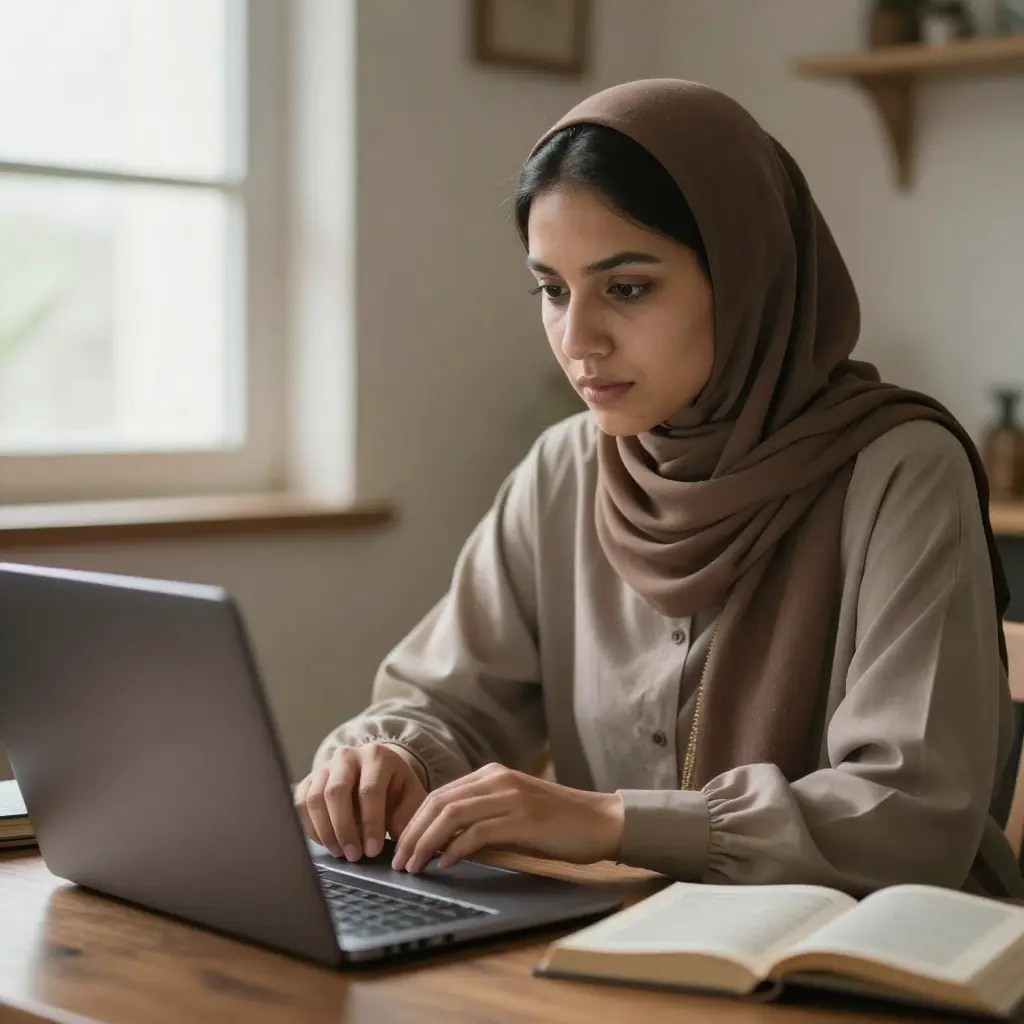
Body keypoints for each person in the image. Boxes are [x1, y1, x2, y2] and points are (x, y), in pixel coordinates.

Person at [294, 79, 1024, 897]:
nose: (578, 341)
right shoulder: (564, 470)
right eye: (553, 290)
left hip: (872, 970)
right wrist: (386, 756)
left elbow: (909, 812)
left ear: (746, 275)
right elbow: (449, 701)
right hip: (621, 950)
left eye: (627, 288)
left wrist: (611, 822)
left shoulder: (901, 472)